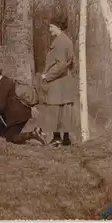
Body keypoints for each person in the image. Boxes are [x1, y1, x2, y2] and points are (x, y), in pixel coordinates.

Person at [0, 64, 46, 145]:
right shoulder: (7, 80)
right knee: (9, 135)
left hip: (17, 116)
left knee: (10, 138)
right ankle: (34, 133)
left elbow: (1, 105)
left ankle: (33, 133)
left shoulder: (2, 84)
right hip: (22, 113)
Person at [41, 16, 76, 147]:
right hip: (65, 82)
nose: (49, 29)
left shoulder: (60, 42)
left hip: (58, 82)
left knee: (55, 111)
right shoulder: (67, 41)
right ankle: (65, 139)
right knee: (64, 111)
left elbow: (61, 65)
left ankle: (57, 139)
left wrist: (47, 76)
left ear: (58, 27)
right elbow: (71, 63)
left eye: (51, 26)